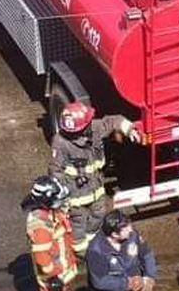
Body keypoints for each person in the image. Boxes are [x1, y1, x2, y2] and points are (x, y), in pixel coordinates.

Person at [49, 101, 142, 254]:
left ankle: (94, 242)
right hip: (75, 194)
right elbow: (55, 170)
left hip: (96, 187)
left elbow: (114, 121)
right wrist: (61, 198)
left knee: (98, 215)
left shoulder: (94, 128)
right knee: (78, 223)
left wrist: (130, 129)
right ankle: (81, 252)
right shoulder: (60, 142)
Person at [23, 176, 78, 291]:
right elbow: (42, 256)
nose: (59, 203)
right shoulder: (40, 227)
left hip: (63, 270)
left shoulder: (47, 211)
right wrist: (53, 277)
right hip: (55, 278)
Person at [86, 210, 157, 291]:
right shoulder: (95, 251)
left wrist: (149, 277)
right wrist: (129, 283)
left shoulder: (132, 235)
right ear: (115, 235)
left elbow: (146, 254)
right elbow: (100, 281)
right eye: (126, 229)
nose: (130, 230)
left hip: (137, 281)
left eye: (129, 226)